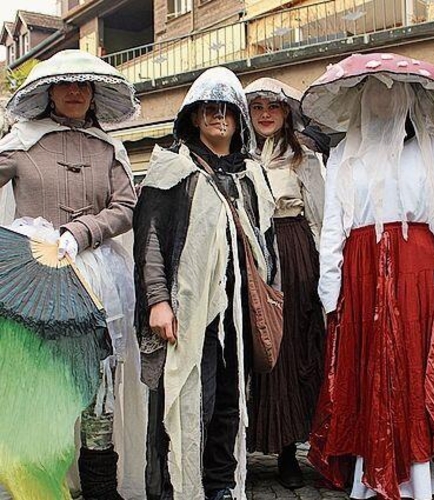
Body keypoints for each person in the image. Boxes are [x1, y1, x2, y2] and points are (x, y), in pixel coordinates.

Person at [303, 53, 434, 500]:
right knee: (370, 367)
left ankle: (422, 473)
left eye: (392, 92)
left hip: (416, 269)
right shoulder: (343, 153)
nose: (383, 102)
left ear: (407, 99)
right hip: (362, 273)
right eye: (372, 94)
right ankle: (371, 467)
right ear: (359, 101)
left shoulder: (429, 148)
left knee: (416, 364)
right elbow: (332, 227)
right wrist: (332, 288)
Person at [0, 49, 144, 500]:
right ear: (48, 93)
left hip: (97, 276)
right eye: (66, 85)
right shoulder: (21, 141)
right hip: (33, 280)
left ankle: (101, 484)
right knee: (41, 376)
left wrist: (82, 232)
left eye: (84, 85)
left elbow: (126, 206)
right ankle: (39, 481)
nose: (76, 92)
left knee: (99, 375)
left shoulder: (109, 148)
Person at [134, 66, 277, 500]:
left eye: (227, 111)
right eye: (209, 110)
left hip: (236, 311)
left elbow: (266, 242)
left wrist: (268, 297)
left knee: (230, 403)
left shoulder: (251, 176)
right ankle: (180, 489)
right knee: (187, 401)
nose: (219, 117)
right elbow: (150, 242)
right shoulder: (169, 170)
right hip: (187, 312)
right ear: (194, 118)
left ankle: (218, 486)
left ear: (238, 120)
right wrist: (158, 301)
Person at [244, 77, 325, 488]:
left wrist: (323, 269)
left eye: (272, 106)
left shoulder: (303, 156)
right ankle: (244, 444)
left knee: (291, 345)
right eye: (257, 106)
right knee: (254, 345)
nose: (265, 113)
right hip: (249, 251)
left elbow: (319, 214)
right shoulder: (237, 155)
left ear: (286, 111)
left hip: (293, 247)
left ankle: (290, 452)